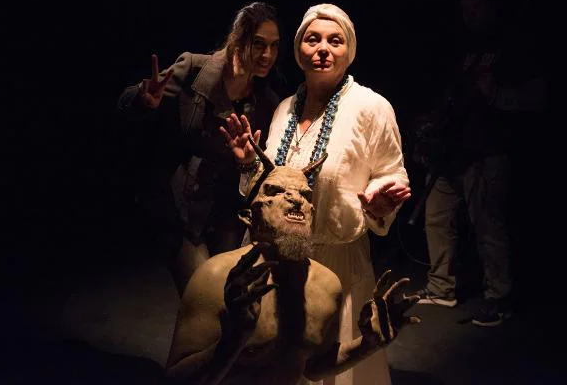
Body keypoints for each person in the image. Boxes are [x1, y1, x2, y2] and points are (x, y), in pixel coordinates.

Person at [221, 3, 412, 385]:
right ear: (299, 50)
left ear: (349, 50)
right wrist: (247, 165)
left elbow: (392, 173)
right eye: (313, 39)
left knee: (331, 366)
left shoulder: (371, 108)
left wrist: (379, 202)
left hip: (336, 264)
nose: (323, 48)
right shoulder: (283, 110)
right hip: (276, 261)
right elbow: (270, 186)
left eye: (334, 40)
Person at [165, 145, 420, 385]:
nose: (295, 199)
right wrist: (234, 339)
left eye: (304, 194)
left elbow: (312, 366)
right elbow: (175, 378)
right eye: (275, 192)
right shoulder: (216, 276)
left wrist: (367, 345)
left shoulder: (327, 284)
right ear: (249, 216)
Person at [117, 2, 283, 296]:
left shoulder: (267, 101)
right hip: (183, 213)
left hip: (225, 216)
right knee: (203, 297)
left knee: (225, 304)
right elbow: (126, 102)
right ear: (238, 39)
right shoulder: (193, 68)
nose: (267, 55)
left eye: (274, 45)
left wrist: (246, 162)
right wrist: (144, 99)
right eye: (258, 44)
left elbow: (256, 169)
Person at [410, 0, 547, 326]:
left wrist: (496, 93)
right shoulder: (464, 47)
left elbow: (539, 98)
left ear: (491, 7)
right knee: (436, 217)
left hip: (487, 149)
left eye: (476, 8)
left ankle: (499, 297)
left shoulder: (513, 46)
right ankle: (442, 288)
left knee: (488, 226)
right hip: (452, 149)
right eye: (465, 9)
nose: (470, 15)